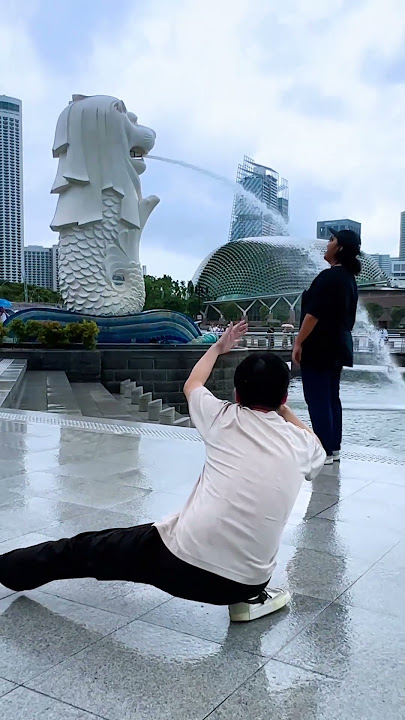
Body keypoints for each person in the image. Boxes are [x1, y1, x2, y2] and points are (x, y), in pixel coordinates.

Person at [0, 321, 325, 623]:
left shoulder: (222, 417)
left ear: (237, 395)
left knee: (86, 549)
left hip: (181, 561)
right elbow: (314, 444)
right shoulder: (302, 444)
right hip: (248, 581)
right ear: (283, 398)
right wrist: (282, 408)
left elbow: (193, 383)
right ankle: (249, 602)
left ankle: (8, 569)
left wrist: (216, 348)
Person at [292, 229, 361, 465]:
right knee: (331, 397)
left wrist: (298, 342)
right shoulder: (348, 280)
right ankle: (334, 448)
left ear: (340, 248)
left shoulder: (329, 277)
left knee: (317, 397)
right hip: (338, 346)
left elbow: (313, 315)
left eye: (331, 240)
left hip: (319, 346)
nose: (327, 243)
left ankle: (323, 450)